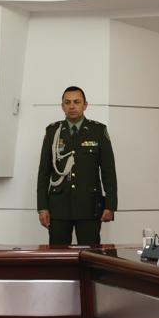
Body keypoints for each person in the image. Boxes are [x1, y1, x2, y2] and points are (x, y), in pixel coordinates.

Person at [37, 86, 117, 246]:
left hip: (89, 206)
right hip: (58, 207)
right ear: (62, 106)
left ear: (85, 105)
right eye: (67, 102)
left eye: (76, 102)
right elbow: (44, 172)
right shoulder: (53, 131)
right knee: (58, 254)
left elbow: (108, 171)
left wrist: (110, 205)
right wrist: (42, 207)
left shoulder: (98, 131)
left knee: (90, 254)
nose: (72, 106)